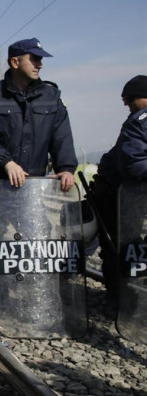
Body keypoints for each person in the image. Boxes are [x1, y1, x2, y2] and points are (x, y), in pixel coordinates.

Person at [0, 37, 77, 291]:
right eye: (35, 59)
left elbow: (61, 135)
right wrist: (6, 162)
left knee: (36, 233)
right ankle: (0, 294)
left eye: (40, 59)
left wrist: (66, 167)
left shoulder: (51, 96)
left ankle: (33, 289)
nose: (40, 65)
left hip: (33, 185)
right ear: (15, 61)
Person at [89, 75, 147, 301]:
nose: (126, 104)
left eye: (131, 99)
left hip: (122, 197)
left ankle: (123, 298)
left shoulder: (139, 121)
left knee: (121, 247)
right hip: (123, 195)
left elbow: (134, 163)